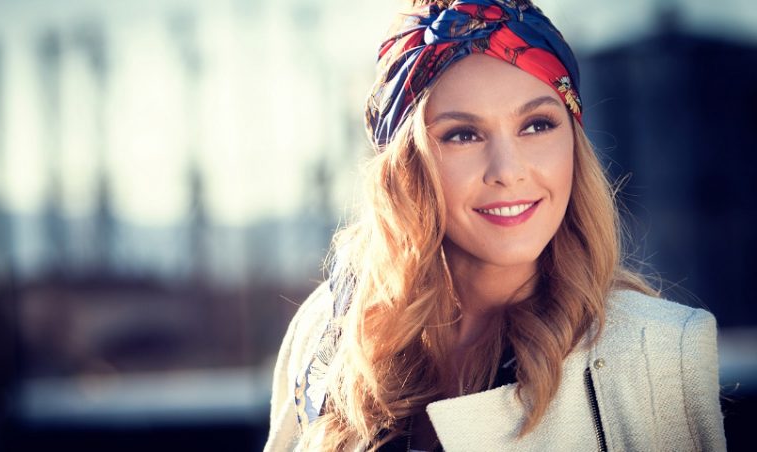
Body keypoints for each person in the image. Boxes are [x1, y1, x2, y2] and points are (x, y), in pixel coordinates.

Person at [265, 0, 727, 450]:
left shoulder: (658, 350)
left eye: (537, 125)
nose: (508, 171)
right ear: (406, 167)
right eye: (463, 134)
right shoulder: (329, 332)